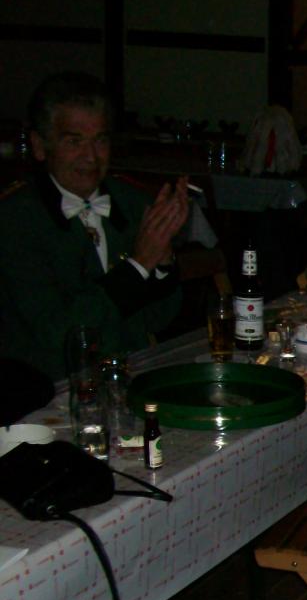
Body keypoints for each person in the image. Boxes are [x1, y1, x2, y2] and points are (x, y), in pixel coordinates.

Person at [0, 71, 185, 380]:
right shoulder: (16, 219)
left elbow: (157, 320)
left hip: (129, 376)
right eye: (74, 141)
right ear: (40, 146)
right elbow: (59, 333)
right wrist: (138, 265)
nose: (91, 156)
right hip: (48, 387)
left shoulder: (130, 202)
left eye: (100, 140)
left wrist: (162, 261)